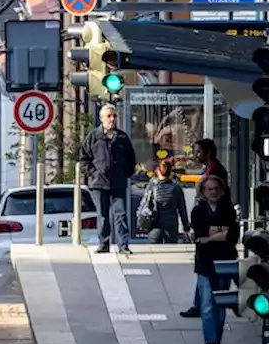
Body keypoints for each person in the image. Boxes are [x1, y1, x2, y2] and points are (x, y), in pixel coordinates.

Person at [180, 138, 232, 318]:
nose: (195, 155)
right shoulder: (209, 170)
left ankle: (202, 304)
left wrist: (210, 233)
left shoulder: (216, 171)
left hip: (216, 227)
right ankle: (199, 303)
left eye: (199, 152)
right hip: (207, 227)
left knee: (211, 271)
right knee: (204, 268)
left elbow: (229, 229)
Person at [79, 103, 137, 255]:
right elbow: (84, 159)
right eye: (109, 116)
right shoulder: (93, 137)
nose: (112, 119)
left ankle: (123, 245)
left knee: (120, 214)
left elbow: (131, 160)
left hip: (118, 183)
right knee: (103, 215)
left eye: (114, 116)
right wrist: (93, 173)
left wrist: (125, 174)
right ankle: (103, 244)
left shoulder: (122, 138)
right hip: (99, 183)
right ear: (102, 119)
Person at [190, 175, 239, 344]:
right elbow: (200, 233)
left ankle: (217, 339)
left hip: (225, 261)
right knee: (207, 303)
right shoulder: (198, 211)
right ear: (203, 192)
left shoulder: (228, 210)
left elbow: (232, 235)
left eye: (216, 189)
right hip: (205, 262)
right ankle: (210, 341)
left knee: (221, 301)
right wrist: (220, 232)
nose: (213, 192)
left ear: (222, 190)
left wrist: (210, 236)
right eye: (209, 189)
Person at [138, 158, 191, 243]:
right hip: (171, 225)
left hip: (155, 224)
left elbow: (144, 204)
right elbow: (182, 209)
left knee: (155, 252)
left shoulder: (152, 187)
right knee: (171, 251)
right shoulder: (176, 188)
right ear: (171, 172)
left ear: (158, 171)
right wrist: (186, 227)